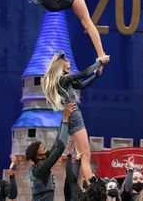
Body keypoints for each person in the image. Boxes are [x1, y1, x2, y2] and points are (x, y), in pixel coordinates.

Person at [42, 51, 108, 186]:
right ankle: (92, 184)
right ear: (61, 68)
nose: (70, 70)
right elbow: (84, 73)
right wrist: (100, 61)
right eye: (67, 68)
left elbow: (82, 85)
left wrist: (96, 75)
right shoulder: (62, 80)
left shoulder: (65, 81)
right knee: (86, 154)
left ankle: (87, 184)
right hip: (74, 116)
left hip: (73, 115)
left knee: (83, 154)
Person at [25, 103, 76, 201]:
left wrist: (63, 120)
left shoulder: (39, 166)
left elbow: (57, 144)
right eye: (43, 149)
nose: (47, 149)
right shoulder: (40, 170)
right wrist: (65, 120)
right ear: (39, 156)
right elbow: (60, 148)